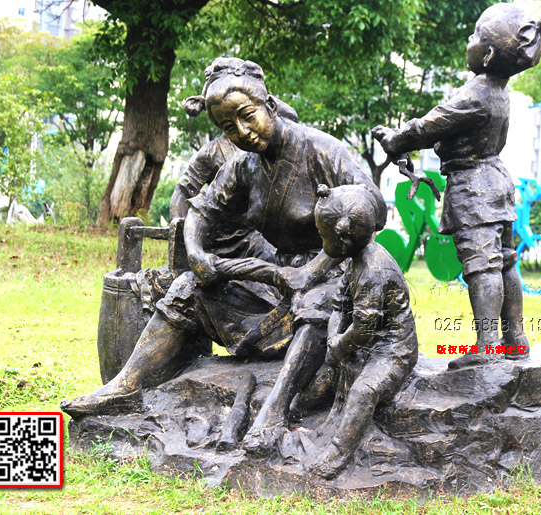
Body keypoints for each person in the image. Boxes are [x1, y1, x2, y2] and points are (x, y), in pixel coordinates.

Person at [61, 58, 387, 455]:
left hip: (336, 280)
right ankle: (126, 386)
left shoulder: (323, 150)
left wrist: (317, 267)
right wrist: (197, 253)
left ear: (269, 105)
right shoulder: (244, 166)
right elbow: (202, 210)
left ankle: (275, 411)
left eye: (248, 117)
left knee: (317, 304)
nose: (243, 132)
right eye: (229, 127)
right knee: (189, 288)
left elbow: (372, 206)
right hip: (279, 280)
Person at [372, 4, 541, 369]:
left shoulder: (476, 93)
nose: (468, 40)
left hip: (474, 188)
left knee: (482, 267)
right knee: (505, 261)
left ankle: (488, 345)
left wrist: (395, 139)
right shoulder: (499, 91)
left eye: (475, 36)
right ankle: (515, 339)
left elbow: (429, 126)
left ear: (487, 55)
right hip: (498, 183)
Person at [306, 184, 418, 479]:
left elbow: (363, 330)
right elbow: (339, 305)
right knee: (333, 368)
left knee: (363, 392)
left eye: (323, 236)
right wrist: (334, 341)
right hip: (363, 341)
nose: (321, 241)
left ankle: (338, 454)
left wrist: (339, 346)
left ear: (343, 239)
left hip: (393, 349)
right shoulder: (353, 261)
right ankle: (319, 418)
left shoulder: (373, 271)